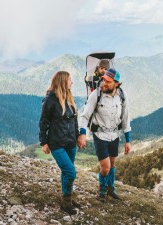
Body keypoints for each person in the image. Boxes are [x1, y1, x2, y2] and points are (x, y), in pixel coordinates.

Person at [78, 68, 131, 202]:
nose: (104, 83)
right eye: (103, 80)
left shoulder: (122, 96)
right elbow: (85, 116)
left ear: (117, 83)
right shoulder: (96, 94)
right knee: (106, 167)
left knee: (112, 164)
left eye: (108, 81)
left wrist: (128, 140)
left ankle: (111, 189)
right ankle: (102, 191)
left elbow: (125, 118)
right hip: (100, 135)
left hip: (114, 135)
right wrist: (83, 134)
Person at [39, 71, 81, 215]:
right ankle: (66, 202)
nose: (72, 82)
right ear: (63, 81)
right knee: (71, 172)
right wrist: (43, 142)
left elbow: (75, 120)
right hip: (56, 144)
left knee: (66, 172)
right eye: (70, 80)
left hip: (70, 143)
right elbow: (43, 122)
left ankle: (66, 199)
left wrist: (78, 137)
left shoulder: (70, 97)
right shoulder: (50, 99)